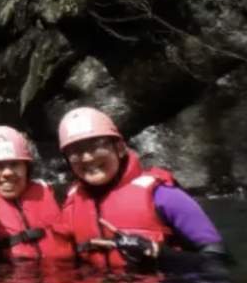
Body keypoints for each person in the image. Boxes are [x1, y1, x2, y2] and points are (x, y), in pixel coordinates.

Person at [57, 107, 230, 269]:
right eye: (75, 152)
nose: (86, 158)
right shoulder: (71, 203)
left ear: (119, 148)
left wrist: (158, 254)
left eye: (95, 146)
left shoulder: (164, 195)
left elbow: (219, 261)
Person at [0, 125, 75, 263]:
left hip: (61, 276)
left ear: (26, 168)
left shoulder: (53, 194)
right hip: (9, 278)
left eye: (15, 164)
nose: (7, 173)